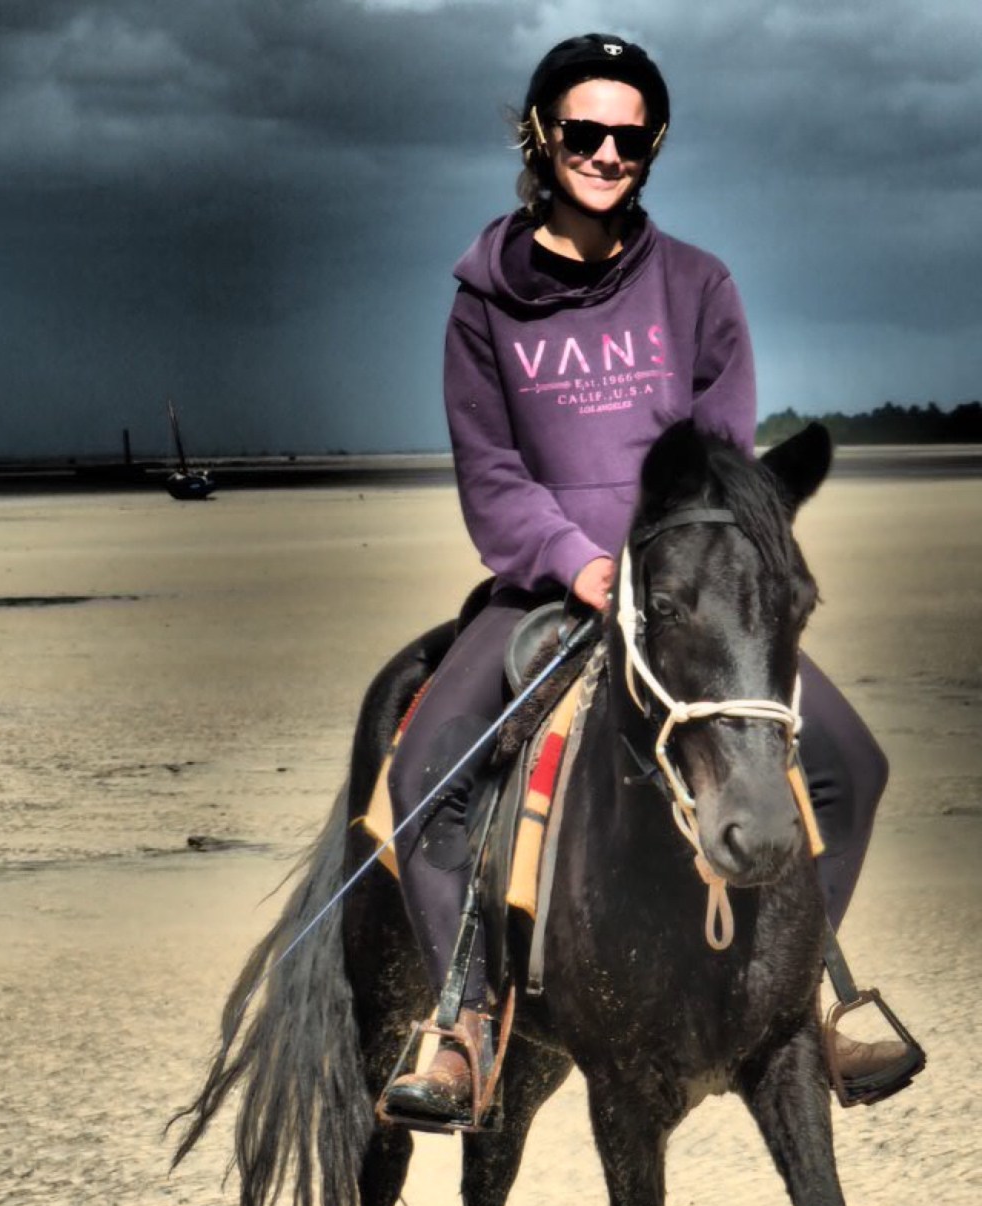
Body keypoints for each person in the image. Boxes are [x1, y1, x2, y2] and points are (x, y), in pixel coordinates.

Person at [383, 34, 922, 1123]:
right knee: (424, 777)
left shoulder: (698, 286)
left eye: (631, 137)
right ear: (541, 136)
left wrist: (668, 574)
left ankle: (813, 1001)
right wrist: (578, 564)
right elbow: (489, 473)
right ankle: (465, 1021)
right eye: (585, 132)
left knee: (850, 771)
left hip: (686, 598)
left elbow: (721, 468)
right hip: (549, 586)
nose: (607, 153)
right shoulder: (483, 299)